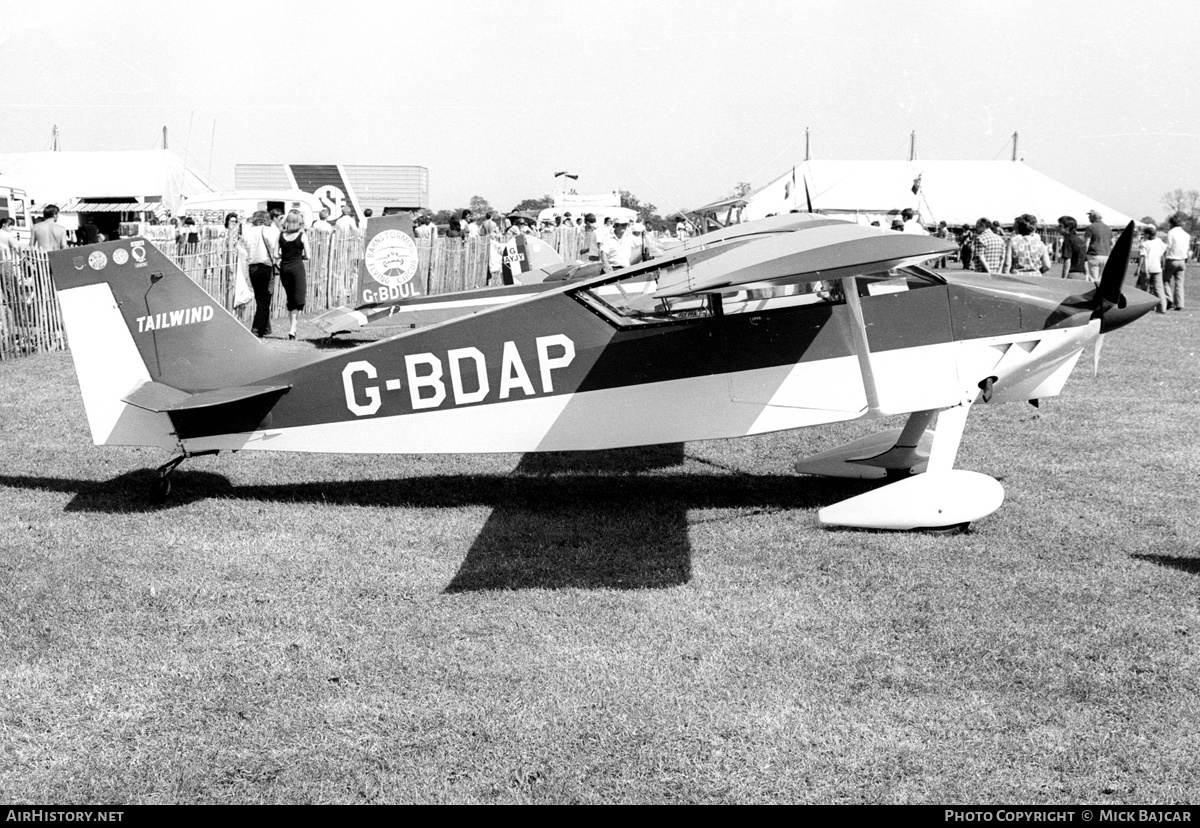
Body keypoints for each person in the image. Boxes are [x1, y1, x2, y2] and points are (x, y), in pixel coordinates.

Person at [238, 210, 280, 338]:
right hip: (265, 265)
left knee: (260, 298)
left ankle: (265, 328)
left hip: (252, 266)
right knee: (265, 299)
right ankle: (256, 329)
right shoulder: (268, 230)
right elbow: (274, 247)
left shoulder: (248, 231)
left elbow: (243, 248)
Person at [277, 210, 309, 340]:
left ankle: (292, 327)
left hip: (284, 268)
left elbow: (275, 254)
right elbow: (308, 255)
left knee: (290, 298)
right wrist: (298, 256)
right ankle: (293, 328)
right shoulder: (302, 236)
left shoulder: (281, 236)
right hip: (297, 268)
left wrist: (285, 256)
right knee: (298, 298)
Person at [1137, 225, 1167, 313]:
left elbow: (1143, 257)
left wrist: (1142, 269)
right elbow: (1162, 254)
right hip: (1157, 268)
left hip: (1148, 269)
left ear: (1147, 235)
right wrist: (1162, 265)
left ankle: (1144, 308)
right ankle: (1162, 308)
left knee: (1144, 289)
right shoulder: (1159, 242)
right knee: (1159, 289)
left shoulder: (1144, 244)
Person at [1164, 214, 1189, 311]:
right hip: (1182, 260)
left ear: (1171, 223)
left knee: (1165, 280)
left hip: (1172, 259)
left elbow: (1168, 247)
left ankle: (1169, 299)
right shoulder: (1186, 234)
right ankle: (1179, 303)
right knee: (1179, 283)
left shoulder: (1171, 233)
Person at [1082, 209, 1112, 283]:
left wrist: (1083, 255)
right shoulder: (1108, 228)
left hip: (1093, 255)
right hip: (1106, 255)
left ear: (1094, 216)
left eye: (1090, 216)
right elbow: (1112, 243)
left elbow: (1086, 243)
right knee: (1101, 279)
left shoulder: (1090, 227)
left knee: (1093, 280)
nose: (1088, 217)